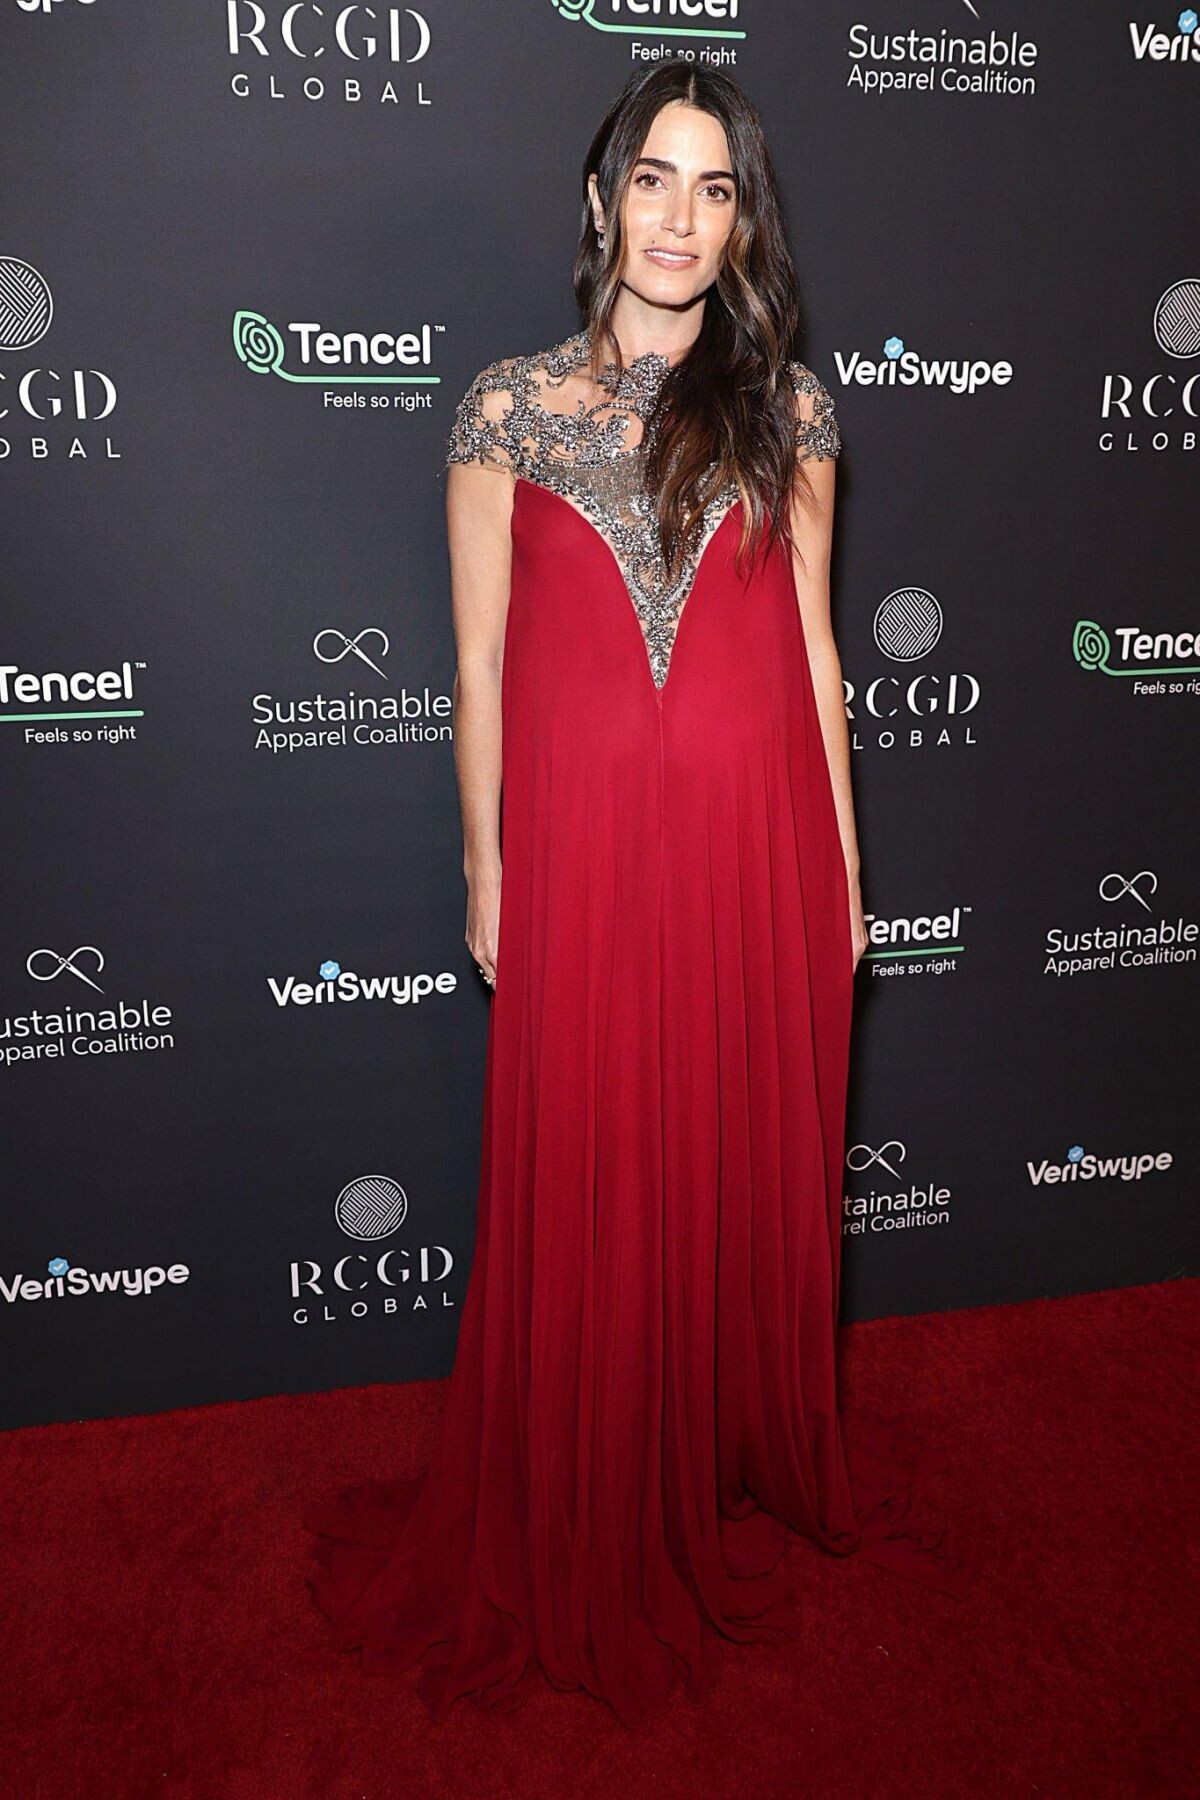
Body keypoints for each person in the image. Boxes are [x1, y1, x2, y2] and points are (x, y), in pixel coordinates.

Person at [303, 61, 966, 1731]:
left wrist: (848, 873)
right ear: (601, 203)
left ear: (743, 224)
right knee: (598, 1151)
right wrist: (487, 864)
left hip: (756, 843)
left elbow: (816, 653)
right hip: (587, 849)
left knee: (733, 1146)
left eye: (714, 189)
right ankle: (597, 1477)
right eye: (653, 181)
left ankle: (723, 1438)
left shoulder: (792, 409)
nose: (680, 218)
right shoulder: (505, 409)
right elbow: (477, 661)